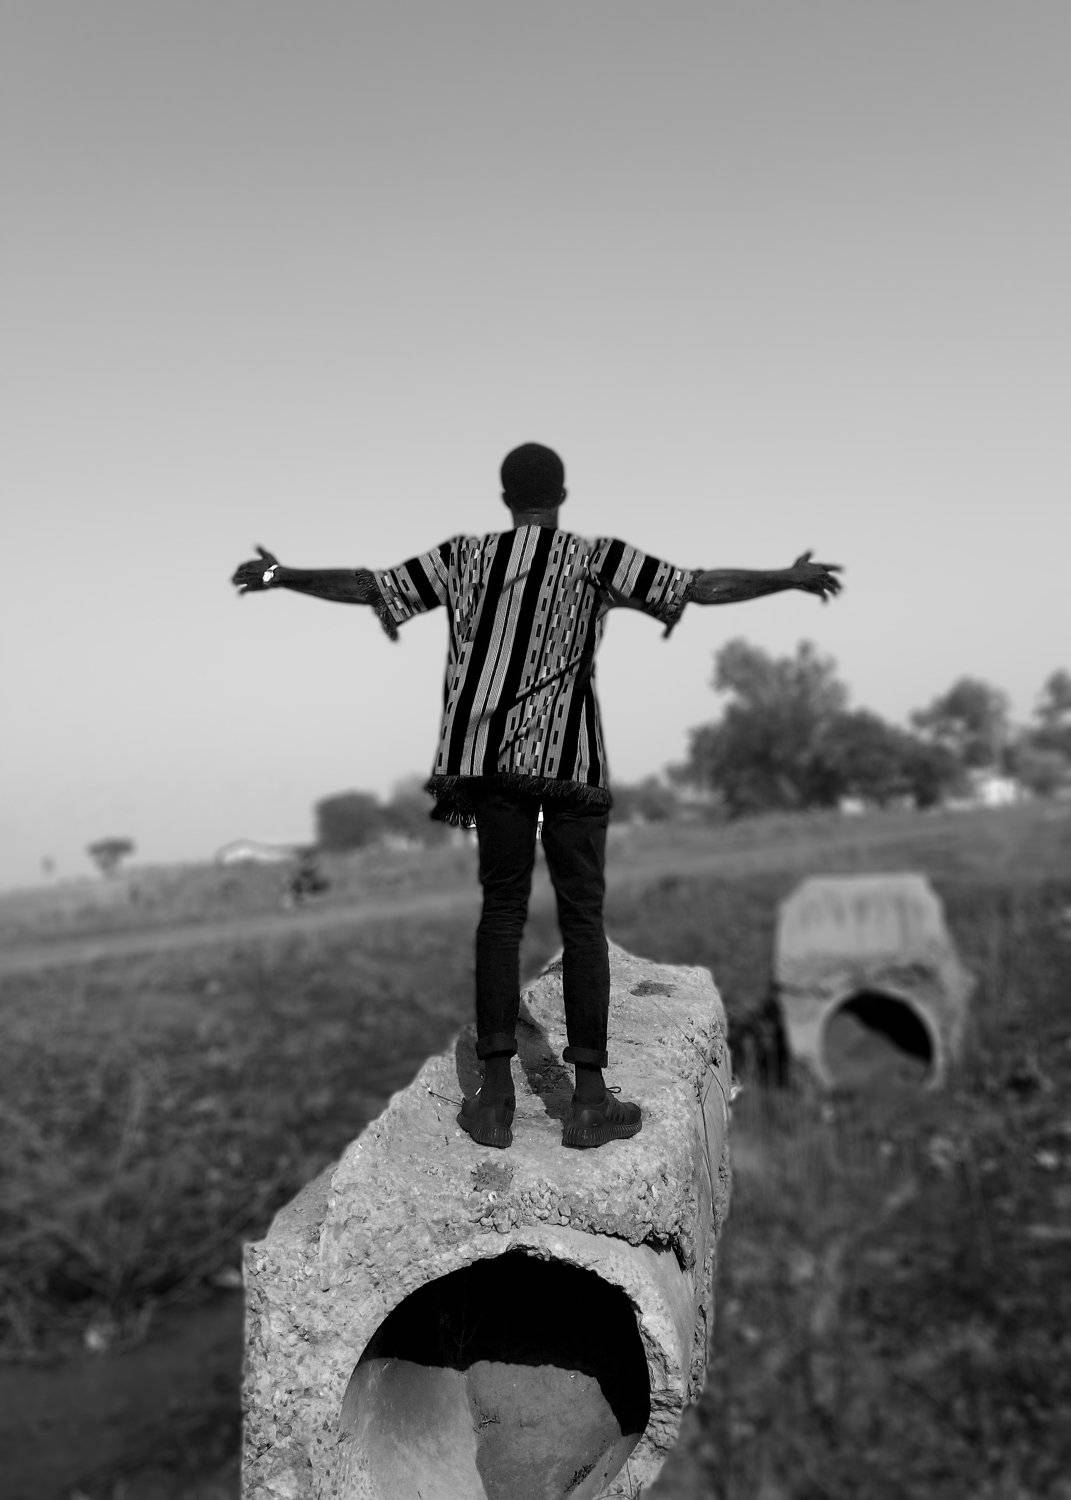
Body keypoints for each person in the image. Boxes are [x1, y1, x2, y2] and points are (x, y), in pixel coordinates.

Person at [230, 442, 842, 1151]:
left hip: (490, 767)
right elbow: (698, 587)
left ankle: (493, 1100)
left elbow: (371, 585)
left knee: (501, 915)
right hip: (569, 763)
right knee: (582, 922)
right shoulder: (596, 558)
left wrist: (282, 574)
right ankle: (588, 1101)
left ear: (504, 499)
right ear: (562, 496)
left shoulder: (464, 558)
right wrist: (787, 578)